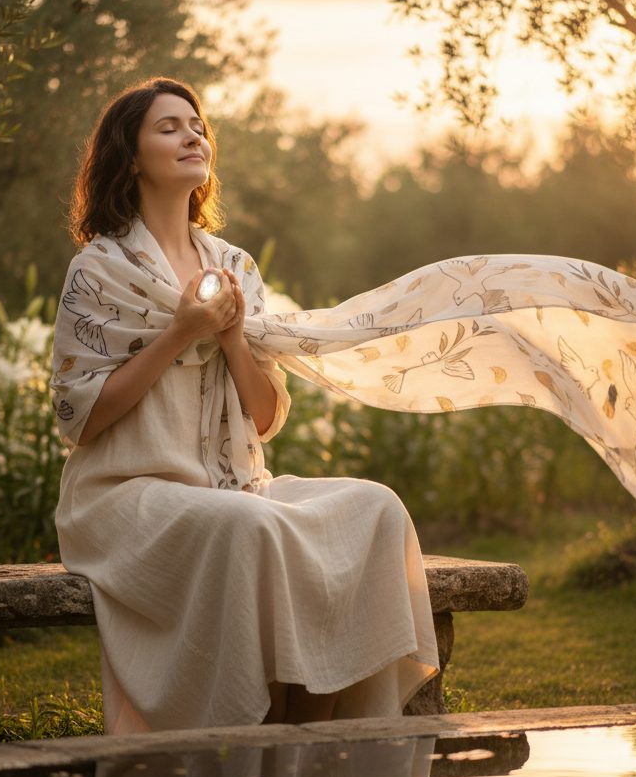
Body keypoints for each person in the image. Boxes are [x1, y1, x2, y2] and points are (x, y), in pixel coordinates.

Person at [51, 77, 440, 734]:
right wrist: (180, 332)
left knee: (375, 508)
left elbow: (264, 418)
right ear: (131, 155)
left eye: (197, 125)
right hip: (127, 494)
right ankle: (259, 732)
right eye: (168, 127)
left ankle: (318, 734)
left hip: (235, 484)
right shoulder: (98, 270)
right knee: (249, 526)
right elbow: (79, 418)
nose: (192, 135)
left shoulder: (235, 266)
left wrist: (231, 337)